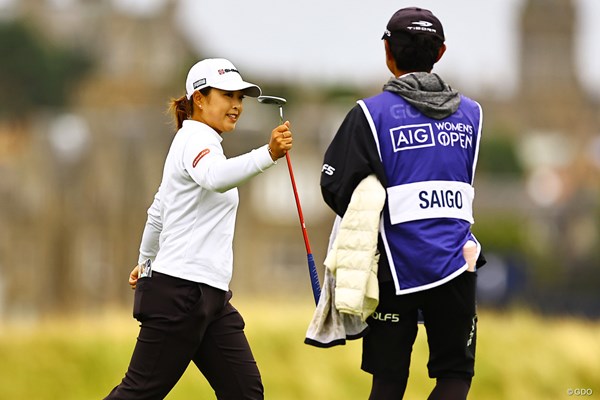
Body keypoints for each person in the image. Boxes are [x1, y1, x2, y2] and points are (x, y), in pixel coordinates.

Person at [320, 7, 485, 400]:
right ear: (441, 52)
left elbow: (334, 186)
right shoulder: (473, 114)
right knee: (455, 376)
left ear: (388, 53)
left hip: (393, 271)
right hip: (456, 265)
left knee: (389, 381)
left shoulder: (369, 114)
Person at [104, 58, 293, 400]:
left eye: (240, 98)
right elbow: (214, 178)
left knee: (245, 392)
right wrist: (269, 154)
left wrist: (145, 262)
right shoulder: (195, 138)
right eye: (227, 95)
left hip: (212, 298)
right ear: (199, 99)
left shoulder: (200, 143)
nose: (236, 105)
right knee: (139, 393)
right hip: (181, 294)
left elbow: (158, 212)